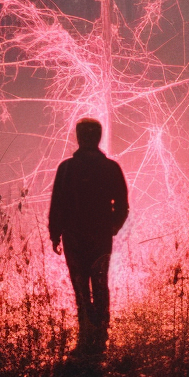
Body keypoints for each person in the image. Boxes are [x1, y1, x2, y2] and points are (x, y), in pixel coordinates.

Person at [48, 117, 129, 355]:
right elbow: (122, 206)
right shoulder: (111, 168)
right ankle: (100, 336)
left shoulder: (66, 169)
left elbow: (57, 205)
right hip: (100, 238)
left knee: (81, 286)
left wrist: (55, 234)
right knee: (100, 285)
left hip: (74, 239)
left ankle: (86, 335)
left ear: (80, 137)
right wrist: (112, 227)